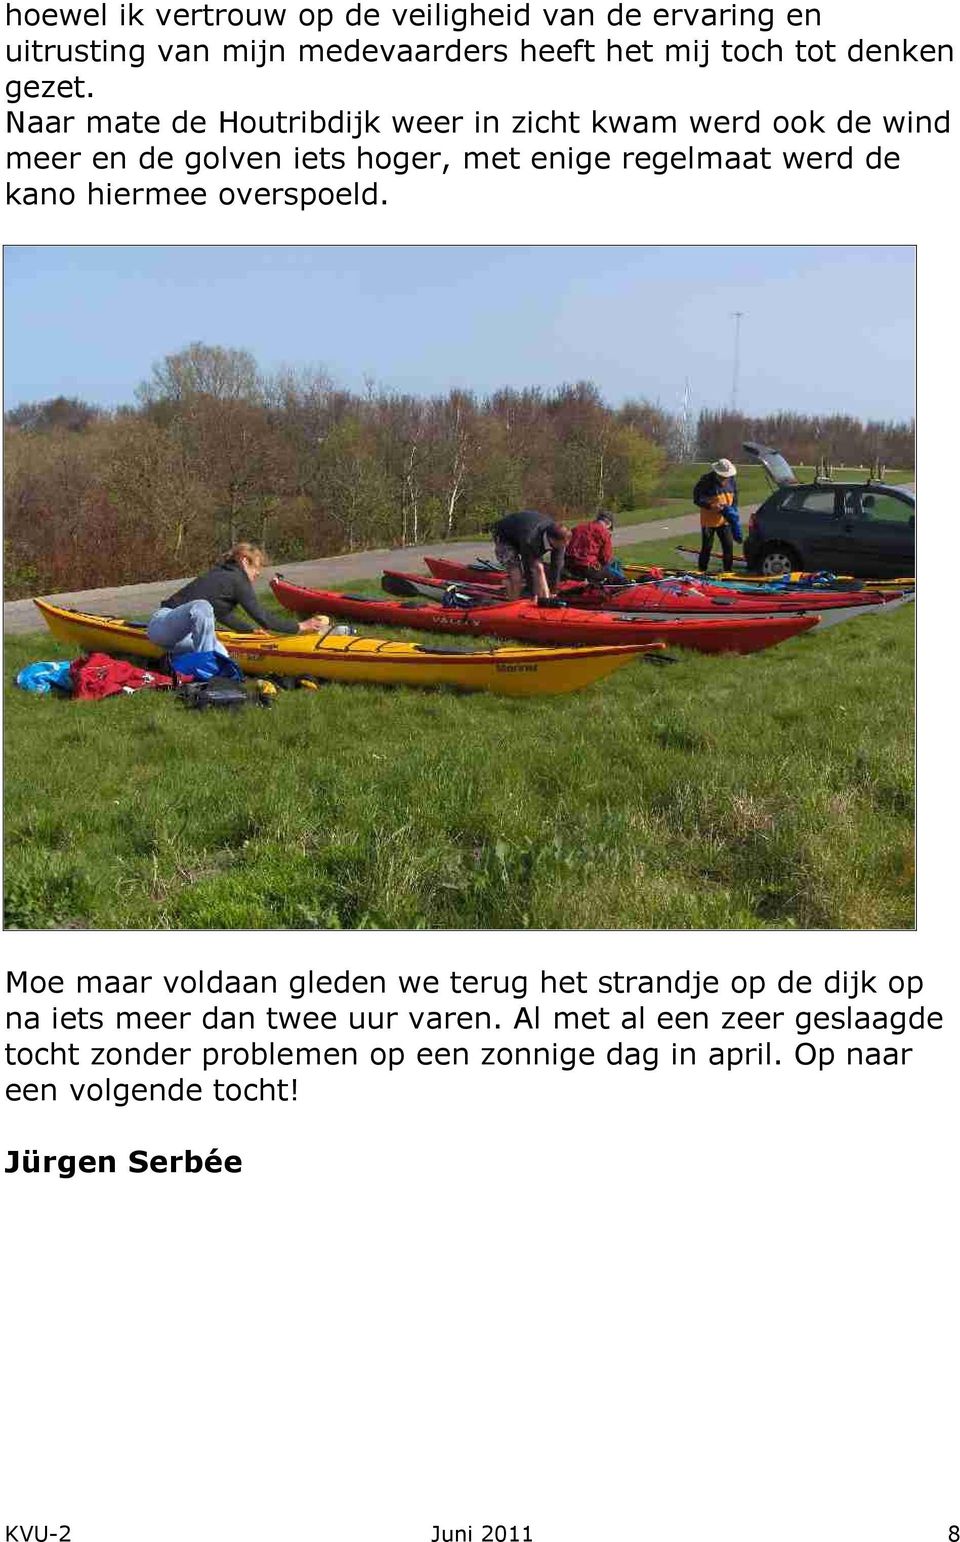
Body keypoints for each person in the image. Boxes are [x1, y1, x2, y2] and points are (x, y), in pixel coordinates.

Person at [146, 542, 329, 657]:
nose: (258, 573)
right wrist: (301, 626)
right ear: (243, 561)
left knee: (224, 658)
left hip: (181, 635)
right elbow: (263, 617)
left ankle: (200, 670)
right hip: (163, 625)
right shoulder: (236, 578)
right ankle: (203, 670)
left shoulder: (225, 576)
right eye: (256, 567)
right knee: (201, 608)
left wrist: (249, 631)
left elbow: (224, 615)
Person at [491, 511, 571, 600]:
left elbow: (557, 564)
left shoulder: (561, 539)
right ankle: (512, 598)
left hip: (524, 533)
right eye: (560, 546)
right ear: (552, 539)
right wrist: (533, 595)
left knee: (540, 568)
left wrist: (553, 590)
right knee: (517, 577)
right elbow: (529, 568)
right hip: (505, 537)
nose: (561, 548)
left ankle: (517, 588)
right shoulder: (530, 540)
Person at [693, 458, 739, 573]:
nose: (725, 479)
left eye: (727, 477)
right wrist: (711, 505)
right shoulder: (705, 481)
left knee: (728, 546)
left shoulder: (732, 480)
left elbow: (735, 498)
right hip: (709, 520)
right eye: (723, 477)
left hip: (725, 520)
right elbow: (697, 499)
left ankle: (728, 571)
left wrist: (733, 513)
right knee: (707, 546)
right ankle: (702, 570)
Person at [564, 511, 624, 584]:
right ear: (609, 524)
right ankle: (625, 584)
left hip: (570, 567)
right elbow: (606, 558)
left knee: (614, 561)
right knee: (615, 566)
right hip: (588, 569)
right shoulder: (604, 532)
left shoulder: (577, 528)